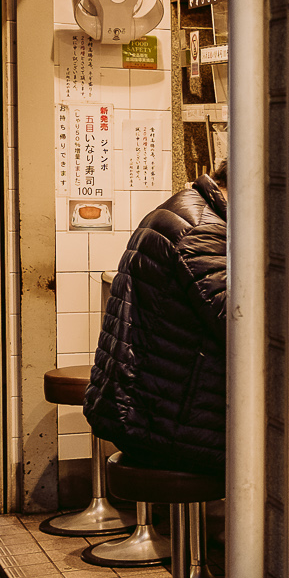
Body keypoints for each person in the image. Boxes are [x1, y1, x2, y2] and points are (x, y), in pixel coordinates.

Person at [85, 162, 228, 474]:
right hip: (160, 423)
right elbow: (236, 325)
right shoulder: (203, 229)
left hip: (138, 408)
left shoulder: (184, 209)